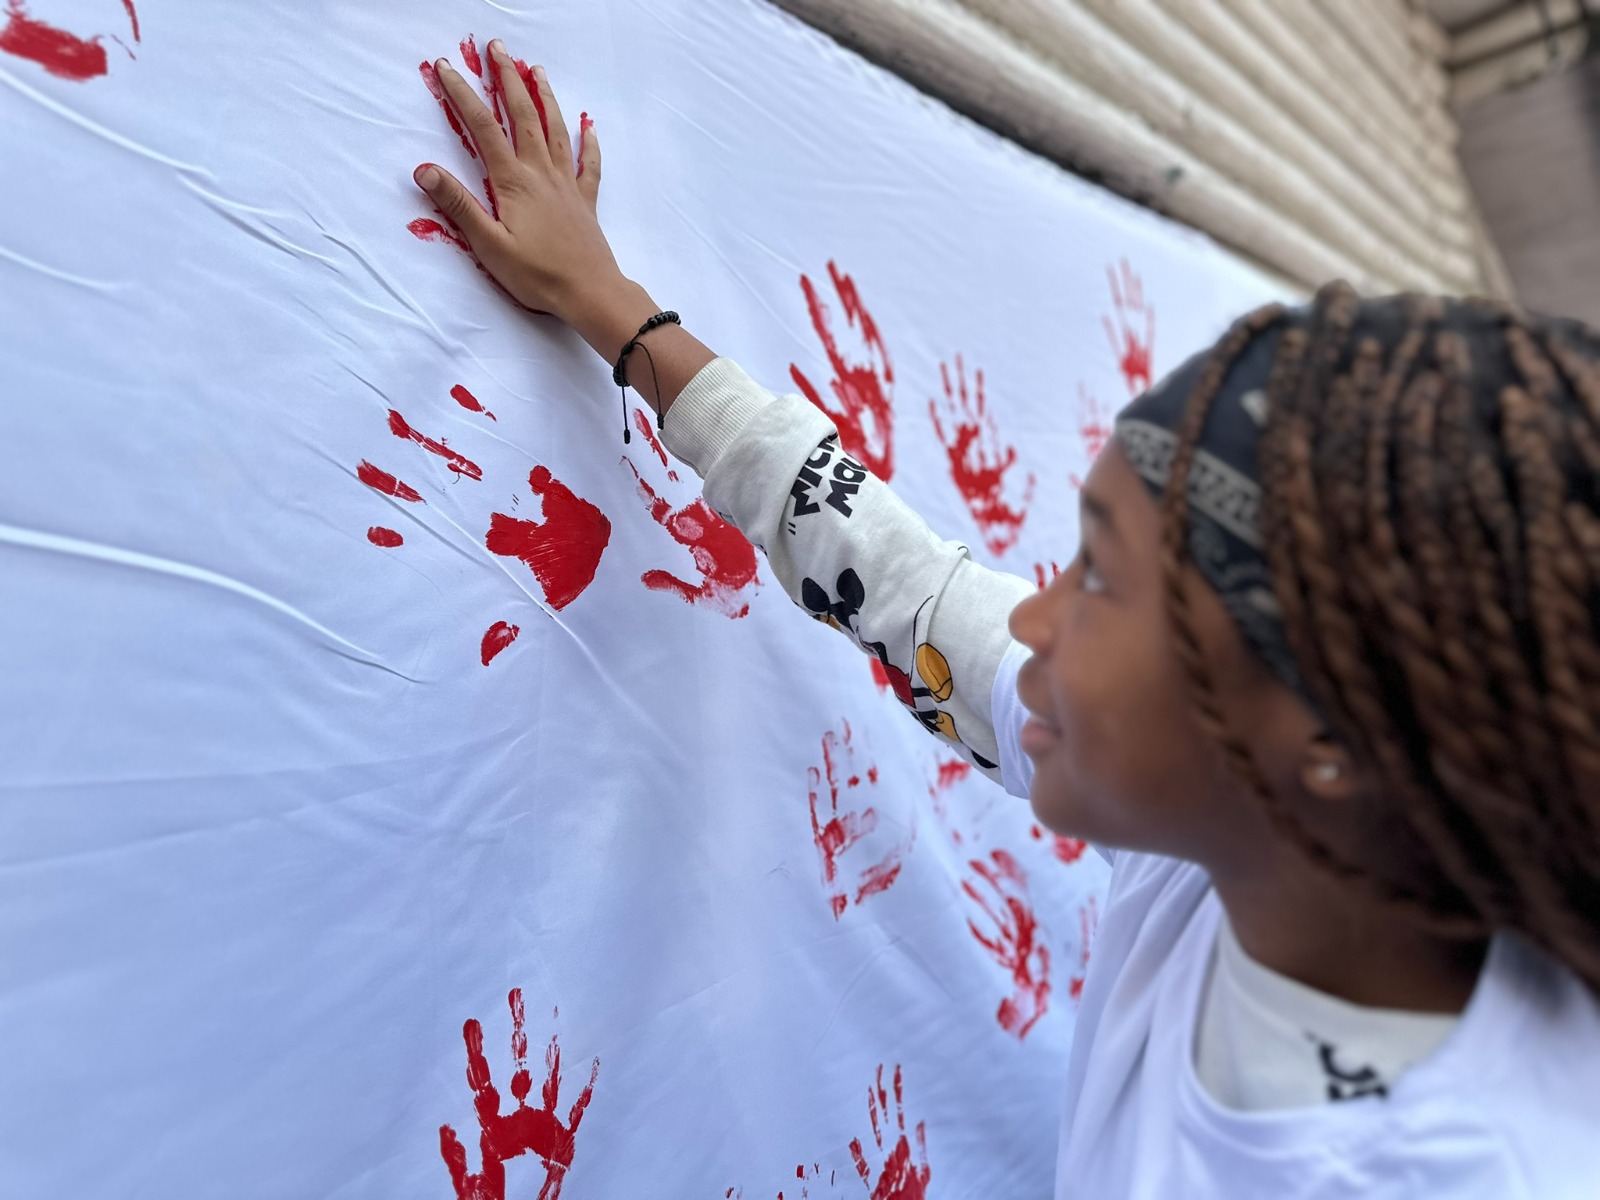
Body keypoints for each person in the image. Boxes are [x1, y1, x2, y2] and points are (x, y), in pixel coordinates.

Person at [408, 42, 1600, 1197]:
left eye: (1104, 583)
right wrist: (614, 308)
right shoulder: (1262, 845)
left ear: (1327, 742)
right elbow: (909, 591)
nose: (1033, 618)